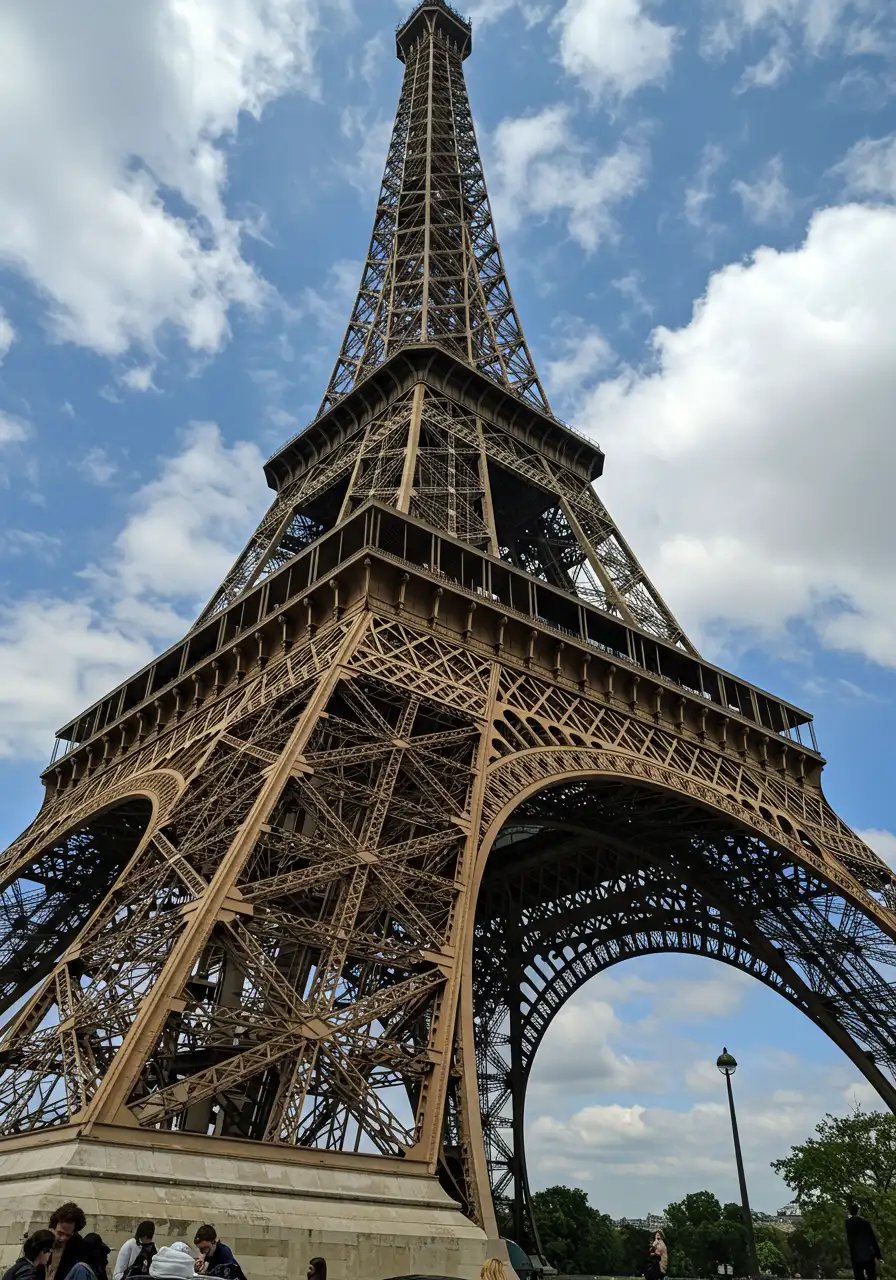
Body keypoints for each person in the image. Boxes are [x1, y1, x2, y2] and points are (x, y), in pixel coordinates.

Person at [45, 1204, 88, 1280]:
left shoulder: (77, 1247)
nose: (62, 1238)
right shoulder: (43, 1241)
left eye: (68, 1235)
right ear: (54, 1227)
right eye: (60, 1233)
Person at [846, 1203, 883, 1280]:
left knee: (859, 1276)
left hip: (856, 1255)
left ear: (850, 1212)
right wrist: (878, 1254)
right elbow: (872, 1239)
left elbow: (850, 1241)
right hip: (868, 1254)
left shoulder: (848, 1223)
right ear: (858, 1211)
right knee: (872, 1276)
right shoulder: (865, 1223)